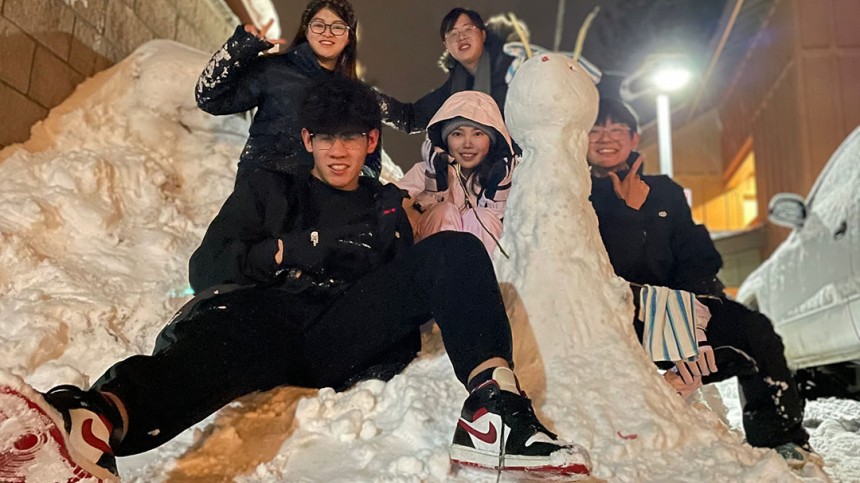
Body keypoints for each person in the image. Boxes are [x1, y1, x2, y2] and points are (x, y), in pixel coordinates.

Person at [20, 77, 591, 481]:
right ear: (306, 141)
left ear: (372, 141)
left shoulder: (391, 205)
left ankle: (495, 411)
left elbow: (423, 279)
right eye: (325, 137)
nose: (338, 152)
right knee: (222, 346)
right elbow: (208, 269)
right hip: (260, 315)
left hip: (336, 334)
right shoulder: (270, 189)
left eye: (351, 138)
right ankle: (93, 422)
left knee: (455, 251)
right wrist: (304, 249)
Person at [585, 97, 821, 469]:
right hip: (616, 316)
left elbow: (695, 256)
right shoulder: (576, 193)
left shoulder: (665, 192)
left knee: (753, 331)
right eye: (596, 129)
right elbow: (599, 269)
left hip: (678, 311)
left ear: (634, 138)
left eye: (617, 130)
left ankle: (781, 438)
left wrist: (696, 313)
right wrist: (624, 211)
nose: (606, 138)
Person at [195, 0, 382, 181]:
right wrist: (240, 47)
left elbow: (370, 166)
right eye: (318, 25)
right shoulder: (274, 70)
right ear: (306, 30)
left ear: (349, 36)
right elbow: (209, 98)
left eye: (338, 27)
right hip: (258, 199)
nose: (327, 33)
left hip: (320, 207)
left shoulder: (361, 97)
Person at [396, 91, 515, 254]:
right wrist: (421, 204)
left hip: (488, 264)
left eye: (478, 134)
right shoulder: (425, 172)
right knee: (444, 211)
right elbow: (392, 204)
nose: (467, 144)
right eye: (457, 134)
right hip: (434, 264)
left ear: (492, 139)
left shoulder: (508, 176)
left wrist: (499, 190)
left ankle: (482, 277)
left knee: (482, 218)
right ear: (446, 140)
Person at [377, 8, 516, 134]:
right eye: (453, 34)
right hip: (480, 159)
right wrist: (370, 99)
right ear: (446, 46)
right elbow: (411, 118)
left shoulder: (513, 66)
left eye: (467, 29)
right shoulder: (453, 92)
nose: (461, 37)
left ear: (483, 34)